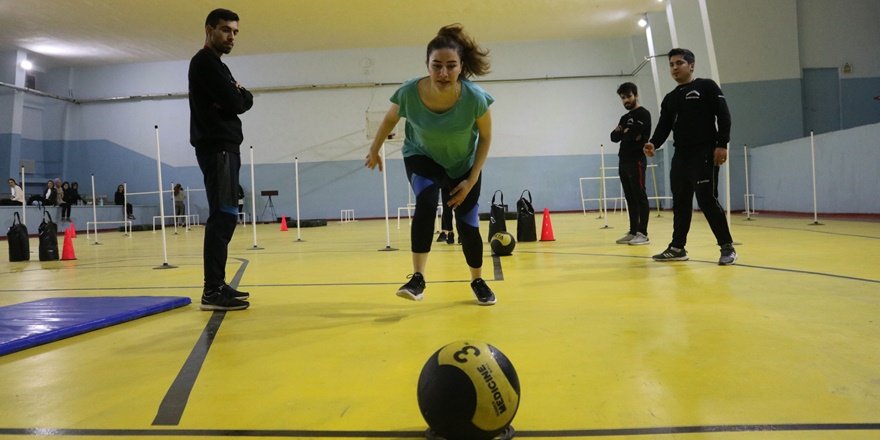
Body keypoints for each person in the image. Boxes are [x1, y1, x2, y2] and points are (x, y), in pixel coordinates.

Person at [365, 24, 497, 306]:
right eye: (436, 65)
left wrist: (471, 180)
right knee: (426, 200)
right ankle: (417, 278)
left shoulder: (474, 98)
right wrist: (374, 149)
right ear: (426, 65)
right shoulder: (410, 92)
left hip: (463, 164)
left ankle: (477, 279)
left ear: (461, 67)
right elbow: (389, 120)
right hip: (420, 156)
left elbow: (486, 138)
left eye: (451, 66)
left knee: (468, 225)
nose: (443, 73)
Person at [643, 48, 737, 265]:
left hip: (705, 152)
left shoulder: (706, 86)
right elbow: (663, 126)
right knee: (681, 202)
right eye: (671, 65)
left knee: (706, 199)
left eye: (679, 63)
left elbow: (724, 116)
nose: (674, 68)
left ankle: (727, 247)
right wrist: (653, 143)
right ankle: (677, 247)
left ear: (691, 65)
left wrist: (722, 144)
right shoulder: (670, 98)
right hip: (681, 156)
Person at [189, 8, 254, 311]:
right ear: (210, 29)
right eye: (226, 30)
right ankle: (212, 290)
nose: (231, 37)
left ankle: (217, 284)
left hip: (225, 146)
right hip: (218, 147)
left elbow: (241, 98)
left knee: (227, 213)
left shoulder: (218, 66)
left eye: (235, 32)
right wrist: (237, 96)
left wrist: (239, 96)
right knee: (224, 214)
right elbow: (236, 101)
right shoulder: (205, 63)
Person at [610, 82, 651, 245]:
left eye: (628, 96)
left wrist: (626, 132)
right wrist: (626, 133)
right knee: (629, 196)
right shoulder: (624, 118)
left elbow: (633, 133)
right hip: (623, 160)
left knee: (639, 195)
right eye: (623, 98)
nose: (626, 100)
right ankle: (633, 230)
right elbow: (613, 137)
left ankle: (643, 233)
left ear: (635, 95)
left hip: (637, 160)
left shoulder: (644, 114)